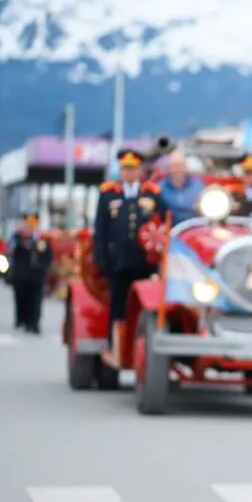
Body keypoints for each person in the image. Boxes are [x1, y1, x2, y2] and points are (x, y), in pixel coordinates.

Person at [93, 148, 168, 366]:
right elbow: (100, 230)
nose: (129, 173)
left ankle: (142, 349)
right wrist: (101, 260)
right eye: (125, 169)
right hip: (118, 262)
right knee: (118, 303)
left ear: (140, 170)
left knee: (146, 305)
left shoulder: (152, 194)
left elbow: (163, 223)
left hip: (145, 262)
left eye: (133, 169)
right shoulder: (109, 194)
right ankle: (115, 345)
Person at [8, 212, 53, 334]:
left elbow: (48, 256)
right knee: (22, 298)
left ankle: (34, 323)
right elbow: (11, 251)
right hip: (21, 275)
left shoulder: (43, 239)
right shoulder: (17, 237)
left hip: (37, 275)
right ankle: (22, 319)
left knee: (36, 300)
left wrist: (43, 267)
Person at [157, 150, 205, 225]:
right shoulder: (159, 187)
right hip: (169, 228)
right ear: (168, 168)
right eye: (174, 166)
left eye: (180, 165)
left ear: (186, 167)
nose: (177, 169)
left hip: (195, 227)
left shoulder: (198, 185)